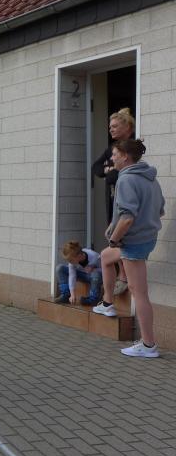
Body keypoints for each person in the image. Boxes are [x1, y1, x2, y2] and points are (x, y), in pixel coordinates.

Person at [94, 139, 165, 357]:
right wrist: (113, 226)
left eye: (115, 154)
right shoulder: (150, 178)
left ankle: (148, 345)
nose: (111, 158)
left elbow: (127, 218)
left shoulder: (126, 179)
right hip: (147, 238)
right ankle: (108, 302)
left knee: (139, 293)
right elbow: (160, 210)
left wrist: (114, 239)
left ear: (125, 157)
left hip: (133, 244)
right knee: (106, 257)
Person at [91, 108, 135, 295]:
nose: (111, 129)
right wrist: (109, 169)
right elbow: (96, 168)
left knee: (122, 236)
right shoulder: (111, 148)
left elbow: (120, 174)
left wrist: (111, 170)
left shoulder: (133, 147)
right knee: (113, 236)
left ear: (127, 127)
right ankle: (122, 274)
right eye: (110, 126)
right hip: (112, 199)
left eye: (115, 126)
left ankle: (125, 277)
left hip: (126, 201)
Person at [55, 240, 102, 305]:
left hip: (93, 277)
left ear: (79, 255)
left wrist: (94, 269)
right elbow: (72, 276)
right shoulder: (72, 263)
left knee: (96, 274)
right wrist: (73, 294)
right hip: (82, 275)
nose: (69, 262)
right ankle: (66, 295)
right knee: (60, 268)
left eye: (70, 260)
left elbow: (106, 270)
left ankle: (93, 299)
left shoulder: (94, 256)